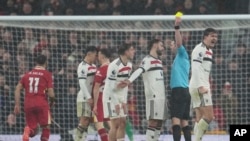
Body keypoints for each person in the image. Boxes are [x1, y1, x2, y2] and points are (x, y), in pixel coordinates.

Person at [118, 39, 166, 141]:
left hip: (161, 97)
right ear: (155, 45)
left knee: (159, 122)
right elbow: (139, 70)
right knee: (153, 122)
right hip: (153, 96)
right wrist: (129, 80)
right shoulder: (147, 60)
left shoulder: (159, 61)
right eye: (161, 45)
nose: (163, 48)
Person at [14, 54, 55, 141]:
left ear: (36, 62)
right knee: (46, 126)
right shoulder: (47, 74)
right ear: (46, 63)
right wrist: (52, 101)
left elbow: (17, 89)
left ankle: (27, 130)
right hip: (41, 103)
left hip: (28, 104)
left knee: (32, 130)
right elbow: (51, 94)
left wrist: (17, 105)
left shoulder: (27, 74)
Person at [189, 28, 218, 141]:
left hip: (200, 85)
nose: (214, 38)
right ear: (205, 37)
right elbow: (195, 68)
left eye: (216, 36)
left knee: (200, 118)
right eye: (212, 36)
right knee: (209, 117)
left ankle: (197, 139)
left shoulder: (209, 51)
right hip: (199, 86)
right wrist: (201, 86)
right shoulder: (199, 49)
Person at [102, 43, 135, 141]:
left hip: (120, 96)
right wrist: (116, 103)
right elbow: (111, 87)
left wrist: (124, 101)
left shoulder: (129, 65)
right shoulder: (114, 65)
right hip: (110, 97)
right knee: (115, 124)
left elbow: (125, 85)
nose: (134, 51)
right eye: (132, 49)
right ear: (126, 52)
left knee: (123, 123)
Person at [169, 17, 191, 141]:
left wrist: (176, 27)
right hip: (184, 91)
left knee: (175, 121)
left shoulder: (182, 54)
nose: (171, 46)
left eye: (172, 44)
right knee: (184, 122)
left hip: (179, 91)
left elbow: (179, 43)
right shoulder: (178, 60)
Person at [75, 46, 97, 141]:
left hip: (92, 98)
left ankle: (83, 139)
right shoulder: (82, 66)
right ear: (89, 54)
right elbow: (82, 83)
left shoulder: (94, 66)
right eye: (95, 55)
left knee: (88, 122)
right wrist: (88, 97)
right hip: (84, 98)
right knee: (84, 120)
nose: (96, 57)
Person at [92, 48, 112, 141]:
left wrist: (95, 105)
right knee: (109, 122)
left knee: (98, 123)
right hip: (111, 98)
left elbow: (96, 88)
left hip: (101, 98)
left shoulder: (101, 70)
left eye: (99, 55)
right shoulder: (114, 68)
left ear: (103, 56)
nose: (97, 57)